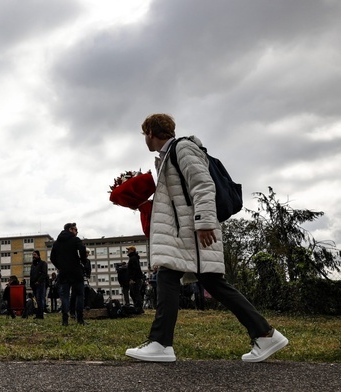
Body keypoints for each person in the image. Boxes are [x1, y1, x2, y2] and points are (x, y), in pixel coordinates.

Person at [125, 113, 288, 363]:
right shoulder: (169, 155)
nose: (144, 139)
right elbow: (177, 197)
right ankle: (265, 334)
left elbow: (203, 184)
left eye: (143, 134)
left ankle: (161, 343)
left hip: (192, 231)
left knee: (171, 277)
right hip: (186, 230)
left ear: (150, 132)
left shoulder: (183, 148)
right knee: (209, 283)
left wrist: (204, 223)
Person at [50, 222, 88, 326]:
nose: (77, 232)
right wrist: (83, 261)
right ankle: (80, 320)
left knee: (65, 297)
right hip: (76, 271)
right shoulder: (75, 239)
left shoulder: (57, 243)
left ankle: (65, 321)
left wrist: (60, 266)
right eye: (76, 230)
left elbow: (52, 258)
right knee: (80, 295)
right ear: (71, 229)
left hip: (63, 273)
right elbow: (82, 249)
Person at [29, 250, 48, 319]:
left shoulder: (43, 263)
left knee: (40, 299)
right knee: (37, 300)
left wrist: (38, 281)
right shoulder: (33, 265)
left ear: (38, 255)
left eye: (35, 255)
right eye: (33, 255)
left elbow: (44, 274)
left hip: (40, 284)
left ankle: (40, 315)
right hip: (34, 285)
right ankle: (38, 314)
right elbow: (31, 275)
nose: (33, 256)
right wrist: (31, 284)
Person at [126, 246, 144, 312]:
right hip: (136, 278)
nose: (127, 251)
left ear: (132, 250)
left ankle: (139, 308)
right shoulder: (133, 258)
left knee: (135, 293)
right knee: (133, 293)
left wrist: (132, 279)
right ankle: (137, 306)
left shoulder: (133, 258)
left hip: (135, 279)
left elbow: (134, 269)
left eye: (128, 250)